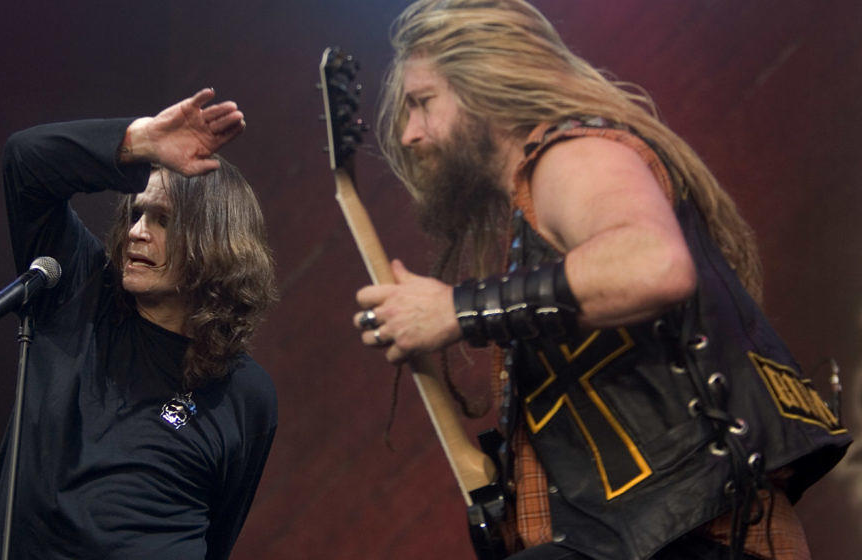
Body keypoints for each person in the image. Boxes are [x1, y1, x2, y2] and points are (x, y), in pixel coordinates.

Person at [352, 1, 850, 559]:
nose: (412, 133)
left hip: (696, 537)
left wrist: (457, 311)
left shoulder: (571, 156)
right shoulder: (538, 198)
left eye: (423, 103)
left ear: (485, 84)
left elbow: (652, 264)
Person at [0, 89, 278, 559]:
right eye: (136, 213)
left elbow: (220, 536)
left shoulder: (244, 392)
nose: (136, 231)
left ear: (215, 244)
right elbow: (25, 161)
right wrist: (141, 141)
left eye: (163, 220)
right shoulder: (80, 299)